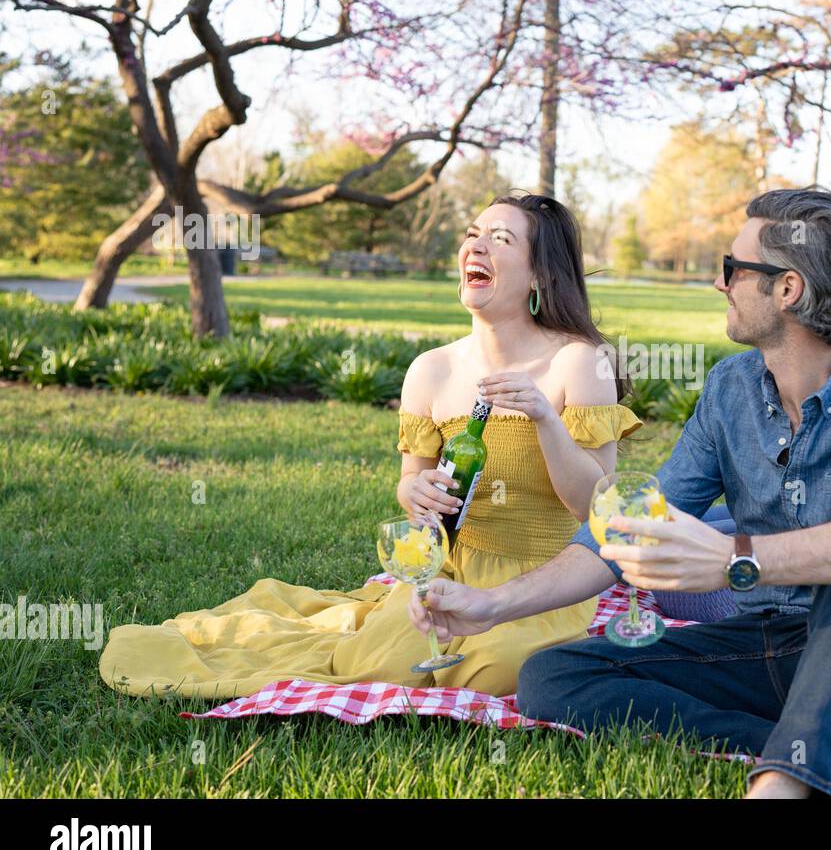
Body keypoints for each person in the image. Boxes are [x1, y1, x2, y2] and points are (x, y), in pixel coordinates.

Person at [410, 186, 831, 798]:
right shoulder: (731, 389)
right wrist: (492, 604)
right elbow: (625, 525)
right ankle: (830, 742)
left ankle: (785, 786)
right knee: (554, 675)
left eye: (732, 269)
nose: (720, 283)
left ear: (787, 289)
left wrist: (738, 557)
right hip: (765, 643)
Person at [98, 192, 641, 700]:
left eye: (500, 239)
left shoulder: (578, 361)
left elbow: (596, 508)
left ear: (541, 273)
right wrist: (416, 493)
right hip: (444, 573)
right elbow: (409, 484)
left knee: (499, 666)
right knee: (384, 663)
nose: (475, 246)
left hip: (540, 585)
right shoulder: (433, 369)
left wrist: (545, 418)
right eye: (473, 234)